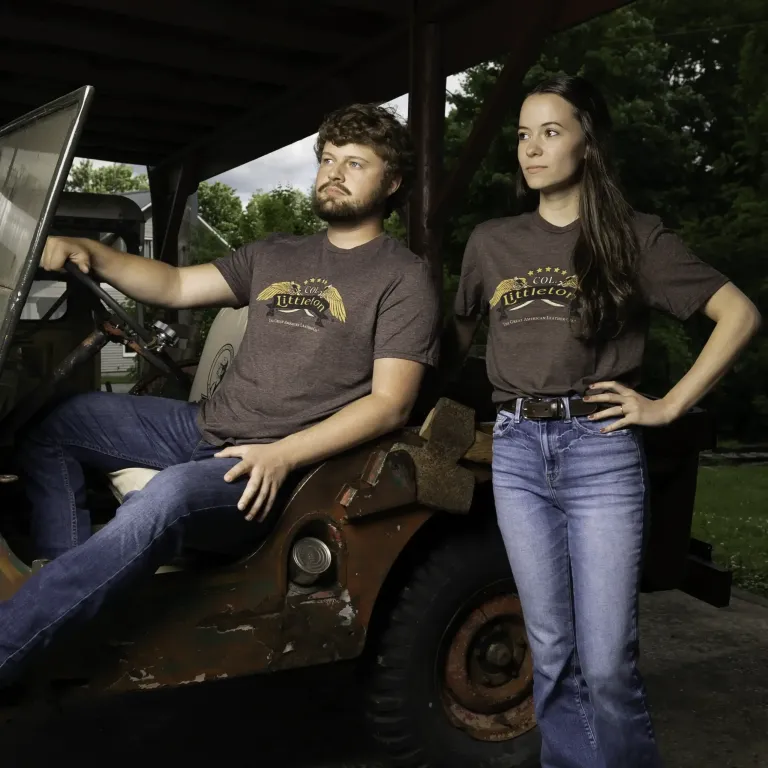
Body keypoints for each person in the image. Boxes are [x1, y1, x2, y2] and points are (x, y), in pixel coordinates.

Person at [0, 103, 440, 686]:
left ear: (392, 181)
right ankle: (66, 596)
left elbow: (391, 403)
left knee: (167, 497)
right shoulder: (276, 252)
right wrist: (94, 251)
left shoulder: (402, 277)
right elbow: (177, 284)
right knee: (56, 421)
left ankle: (10, 643)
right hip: (201, 426)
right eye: (327, 159)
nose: (333, 172)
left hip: (272, 466)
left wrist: (282, 455)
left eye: (354, 163)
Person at [449, 75, 761, 768]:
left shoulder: (635, 238)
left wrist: (668, 404)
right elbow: (453, 345)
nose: (531, 148)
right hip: (518, 452)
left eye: (551, 132)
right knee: (551, 652)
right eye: (523, 134)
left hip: (600, 450)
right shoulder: (490, 243)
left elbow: (739, 314)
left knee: (608, 661)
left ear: (587, 143)